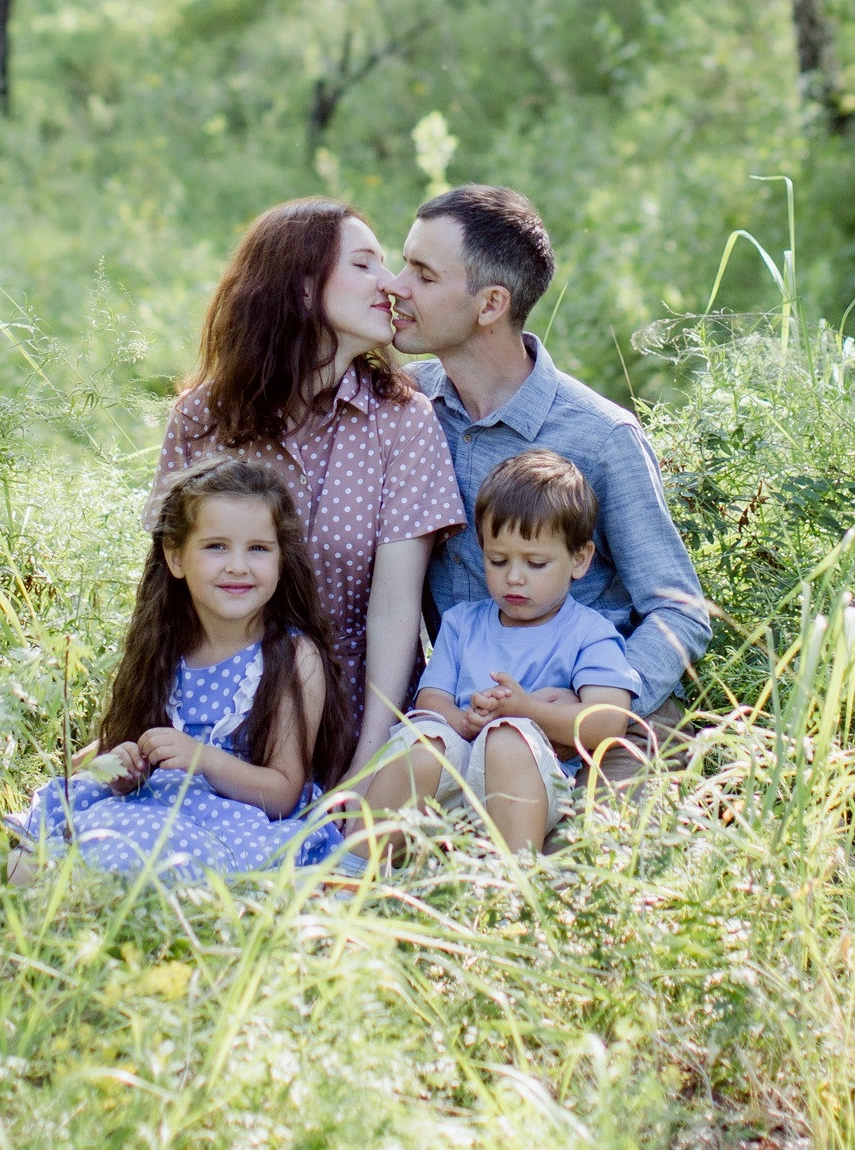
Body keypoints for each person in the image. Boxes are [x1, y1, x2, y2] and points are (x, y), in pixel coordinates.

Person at [146, 199, 465, 776]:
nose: (391, 283)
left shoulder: (403, 420)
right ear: (299, 287)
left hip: (359, 715)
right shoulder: (203, 419)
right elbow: (166, 596)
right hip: (216, 724)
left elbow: (395, 613)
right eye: (365, 264)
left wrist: (364, 767)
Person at [388, 183, 711, 733]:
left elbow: (679, 611)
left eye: (423, 274)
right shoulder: (403, 409)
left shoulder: (600, 437)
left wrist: (601, 705)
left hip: (589, 720)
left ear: (491, 303)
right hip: (459, 717)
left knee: (603, 819)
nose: (395, 287)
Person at [9, 455, 348, 881]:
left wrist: (202, 759)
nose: (238, 566)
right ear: (176, 558)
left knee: (136, 853)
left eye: (258, 548)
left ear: (282, 559)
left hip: (235, 823)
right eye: (216, 546)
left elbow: (283, 793)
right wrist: (126, 767)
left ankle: (121, 900)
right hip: (147, 804)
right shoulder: (166, 645)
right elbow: (128, 742)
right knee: (35, 860)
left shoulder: (292, 658)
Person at [349, 449, 641, 856]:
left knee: (506, 738)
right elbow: (431, 700)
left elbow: (608, 721)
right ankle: (352, 868)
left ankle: (510, 884)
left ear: (579, 560)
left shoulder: (589, 632)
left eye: (536, 563)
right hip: (450, 789)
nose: (514, 578)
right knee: (425, 742)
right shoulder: (461, 623)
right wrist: (466, 721)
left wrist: (525, 710)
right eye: (498, 560)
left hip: (528, 789)